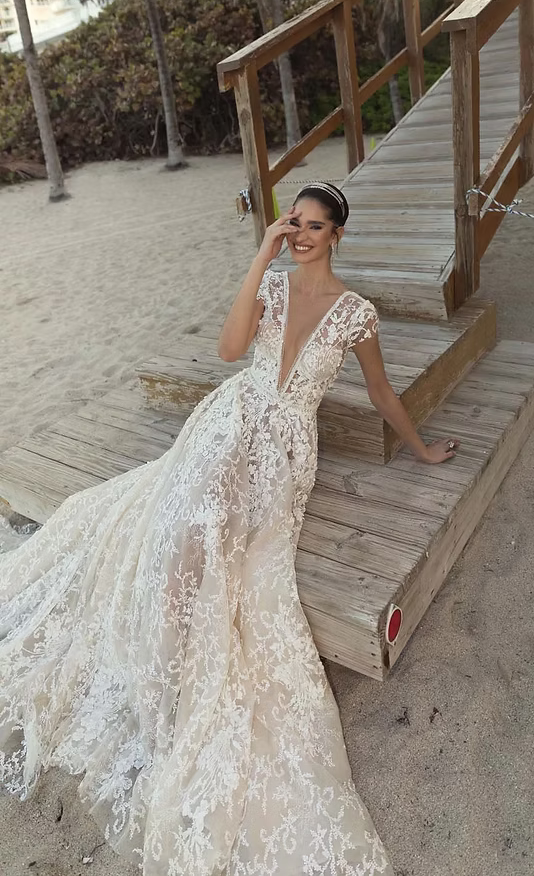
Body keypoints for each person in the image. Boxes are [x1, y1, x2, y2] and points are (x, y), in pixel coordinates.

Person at [0, 181, 458, 875]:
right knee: (189, 534)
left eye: (313, 226)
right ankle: (163, 683)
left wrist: (421, 448)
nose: (299, 234)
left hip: (286, 447)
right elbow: (228, 349)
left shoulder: (357, 314)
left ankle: (185, 684)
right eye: (292, 223)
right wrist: (260, 258)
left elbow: (380, 392)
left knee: (240, 552)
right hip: (227, 419)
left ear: (337, 233)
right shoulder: (272, 285)